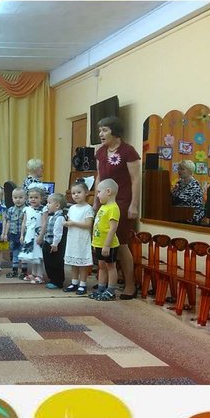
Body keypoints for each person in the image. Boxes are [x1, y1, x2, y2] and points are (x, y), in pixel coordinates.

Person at [93, 116, 141, 298]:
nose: (101, 133)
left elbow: (136, 180)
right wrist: (95, 201)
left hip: (121, 202)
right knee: (102, 241)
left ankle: (130, 285)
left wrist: (133, 205)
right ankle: (105, 283)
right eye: (100, 130)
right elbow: (99, 177)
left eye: (104, 130)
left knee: (120, 243)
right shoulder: (100, 151)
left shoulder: (128, 151)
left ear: (115, 131)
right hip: (103, 202)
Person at [90, 179, 121, 301]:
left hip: (109, 245)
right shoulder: (103, 207)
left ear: (108, 191)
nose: (97, 195)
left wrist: (107, 245)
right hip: (99, 243)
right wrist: (95, 243)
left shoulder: (113, 208)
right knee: (101, 266)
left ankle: (111, 290)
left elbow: (113, 228)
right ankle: (101, 288)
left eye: (99, 192)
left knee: (110, 266)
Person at [63, 182, 95, 295]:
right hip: (72, 238)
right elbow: (70, 221)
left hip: (82, 239)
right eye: (73, 193)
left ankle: (83, 284)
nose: (76, 195)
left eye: (79, 192)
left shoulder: (88, 208)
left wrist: (73, 223)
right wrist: (66, 223)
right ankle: (74, 282)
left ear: (86, 193)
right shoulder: (72, 208)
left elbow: (88, 225)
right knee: (74, 262)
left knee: (82, 263)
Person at [18, 186, 45, 284]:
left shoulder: (43, 209)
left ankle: (40, 275)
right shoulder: (27, 209)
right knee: (32, 256)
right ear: (28, 198)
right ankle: (33, 274)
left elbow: (44, 223)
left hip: (38, 234)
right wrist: (22, 235)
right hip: (29, 234)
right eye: (31, 197)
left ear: (41, 198)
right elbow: (24, 223)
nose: (33, 199)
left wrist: (41, 235)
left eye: (36, 197)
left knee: (38, 255)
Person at [41, 193, 67, 289]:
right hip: (48, 242)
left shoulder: (60, 217)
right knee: (48, 261)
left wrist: (55, 244)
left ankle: (57, 281)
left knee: (55, 262)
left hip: (54, 244)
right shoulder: (51, 216)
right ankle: (52, 279)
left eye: (49, 203)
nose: (47, 205)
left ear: (57, 205)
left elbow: (58, 232)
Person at [171, 160, 206, 224]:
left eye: (182, 169)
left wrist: (172, 193)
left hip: (193, 215)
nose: (179, 171)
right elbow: (173, 197)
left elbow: (180, 199)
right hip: (183, 211)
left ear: (190, 171)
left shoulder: (194, 185)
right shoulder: (180, 182)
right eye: (178, 169)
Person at [3, 188, 26, 278]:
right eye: (15, 198)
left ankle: (24, 271)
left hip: (23, 235)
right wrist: (5, 234)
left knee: (24, 253)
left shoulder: (27, 210)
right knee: (15, 252)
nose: (18, 200)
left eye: (20, 197)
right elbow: (8, 222)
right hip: (13, 234)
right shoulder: (10, 210)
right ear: (12, 199)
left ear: (25, 198)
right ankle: (14, 270)